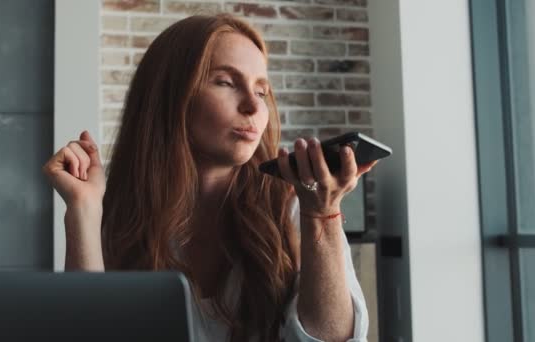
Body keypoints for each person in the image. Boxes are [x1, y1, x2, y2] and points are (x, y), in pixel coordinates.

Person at [42, 14, 376, 342]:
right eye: (226, 82)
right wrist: (82, 210)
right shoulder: (116, 215)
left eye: (261, 92)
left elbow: (334, 339)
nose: (253, 107)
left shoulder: (295, 206)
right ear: (170, 96)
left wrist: (321, 217)